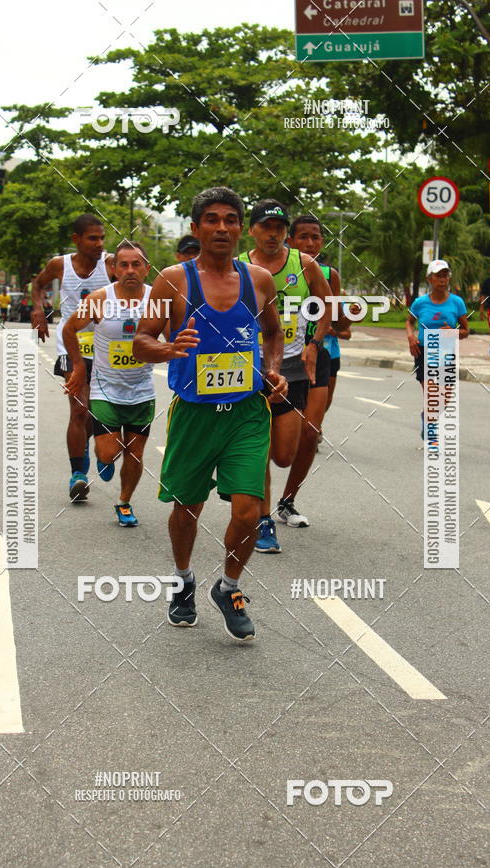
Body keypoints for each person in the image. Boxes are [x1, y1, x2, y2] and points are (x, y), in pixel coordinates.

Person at [133, 186, 286, 642]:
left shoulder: (259, 280)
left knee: (248, 509)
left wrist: (274, 370)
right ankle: (182, 579)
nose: (222, 227)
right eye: (212, 220)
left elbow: (274, 334)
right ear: (196, 228)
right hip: (195, 413)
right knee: (188, 506)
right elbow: (142, 339)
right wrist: (167, 347)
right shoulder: (173, 280)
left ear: (242, 227)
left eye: (231, 219)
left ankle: (230, 586)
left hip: (247, 412)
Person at [238, 200, 333, 550]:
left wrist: (314, 344)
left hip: (291, 367)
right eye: (266, 227)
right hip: (250, 370)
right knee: (259, 448)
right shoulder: (240, 267)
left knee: (283, 455)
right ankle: (263, 521)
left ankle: (271, 508)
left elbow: (325, 308)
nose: (273, 234)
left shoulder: (304, 265)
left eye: (279, 228)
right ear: (252, 231)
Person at [63, 241, 155, 526]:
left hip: (142, 390)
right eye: (123, 265)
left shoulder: (157, 299)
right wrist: (78, 367)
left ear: (146, 269)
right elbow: (69, 329)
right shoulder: (99, 299)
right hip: (105, 389)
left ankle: (124, 502)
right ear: (113, 269)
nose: (130, 270)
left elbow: (174, 333)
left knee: (135, 452)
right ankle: (102, 457)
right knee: (109, 451)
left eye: (136, 264)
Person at [30, 214, 114, 502]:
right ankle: (78, 473)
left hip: (106, 347)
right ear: (76, 239)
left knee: (100, 410)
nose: (99, 244)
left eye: (102, 238)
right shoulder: (59, 264)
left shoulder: (111, 263)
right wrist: (38, 310)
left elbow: (134, 287)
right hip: (73, 344)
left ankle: (102, 449)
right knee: (79, 409)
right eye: (93, 238)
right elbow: (37, 285)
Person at [280, 214, 351, 519]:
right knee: (275, 444)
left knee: (310, 432)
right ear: (290, 241)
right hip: (277, 357)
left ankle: (287, 501)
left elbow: (340, 321)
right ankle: (255, 504)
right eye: (303, 237)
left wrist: (344, 306)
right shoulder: (275, 268)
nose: (310, 243)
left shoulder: (328, 273)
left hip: (315, 356)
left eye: (316, 237)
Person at [406, 259, 469, 438]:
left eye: (445, 276)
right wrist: (410, 336)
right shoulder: (420, 303)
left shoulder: (457, 303)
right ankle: (430, 426)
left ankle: (426, 416)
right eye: (438, 276)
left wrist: (454, 332)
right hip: (424, 351)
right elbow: (409, 322)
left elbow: (466, 331)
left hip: (446, 354)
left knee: (444, 398)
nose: (442, 279)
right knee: (432, 393)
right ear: (429, 279)